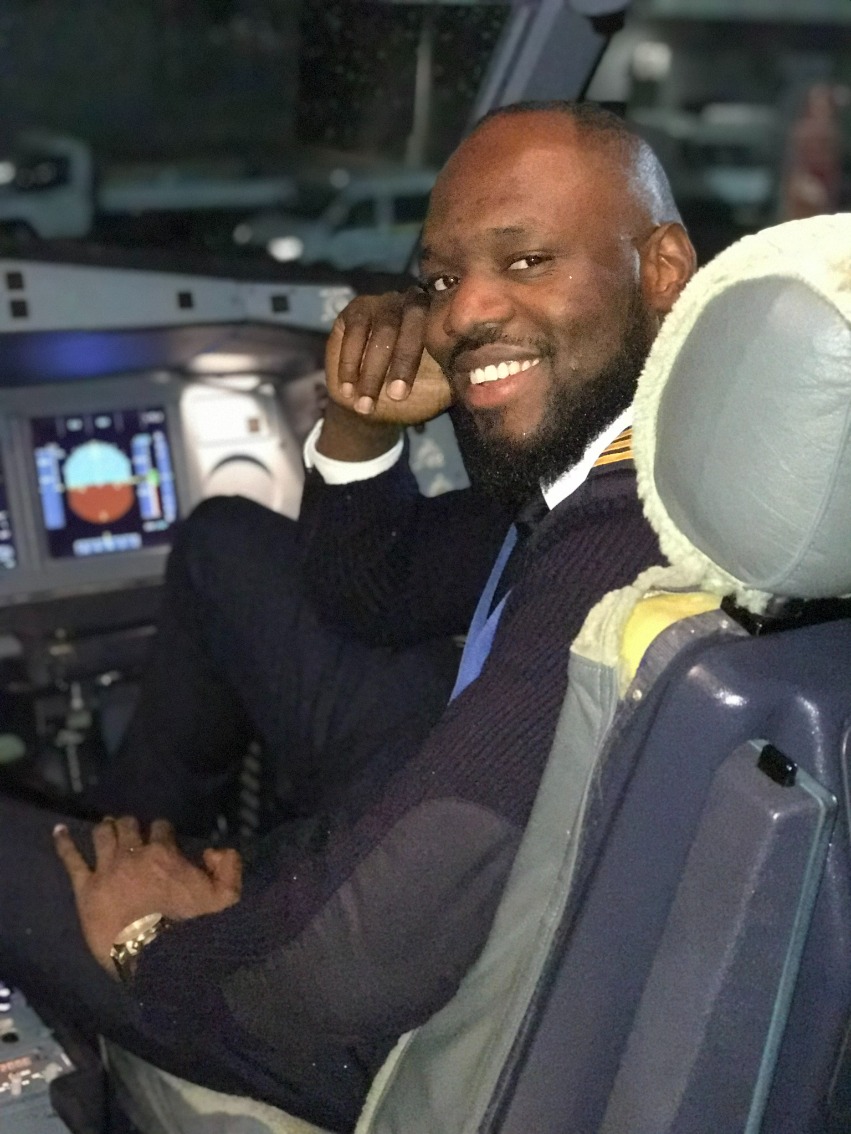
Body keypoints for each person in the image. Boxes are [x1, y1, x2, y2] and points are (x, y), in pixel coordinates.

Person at [0, 102, 696, 1133]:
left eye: (527, 259)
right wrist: (357, 423)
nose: (459, 317)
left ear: (665, 270)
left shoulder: (612, 558)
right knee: (227, 544)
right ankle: (129, 823)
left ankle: (111, 885)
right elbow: (373, 592)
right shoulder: (640, 477)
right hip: (445, 838)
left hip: (364, 1030)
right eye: (444, 279)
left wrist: (152, 937)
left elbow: (343, 976)